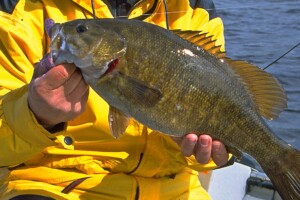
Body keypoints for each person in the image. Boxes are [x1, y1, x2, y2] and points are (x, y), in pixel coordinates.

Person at [0, 0, 231, 199]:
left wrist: (202, 151)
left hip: (174, 190)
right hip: (50, 187)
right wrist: (35, 115)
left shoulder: (192, 8)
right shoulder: (21, 9)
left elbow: (226, 121)